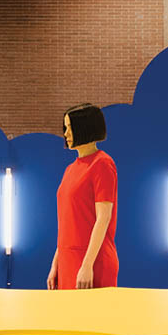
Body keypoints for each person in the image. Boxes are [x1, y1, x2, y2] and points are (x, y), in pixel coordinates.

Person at [48, 103, 119, 289]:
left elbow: (103, 218)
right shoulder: (70, 170)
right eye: (66, 128)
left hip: (92, 261)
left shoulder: (102, 164)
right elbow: (67, 222)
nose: (66, 134)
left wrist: (87, 265)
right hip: (68, 260)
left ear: (85, 128)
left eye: (70, 128)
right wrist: (56, 262)